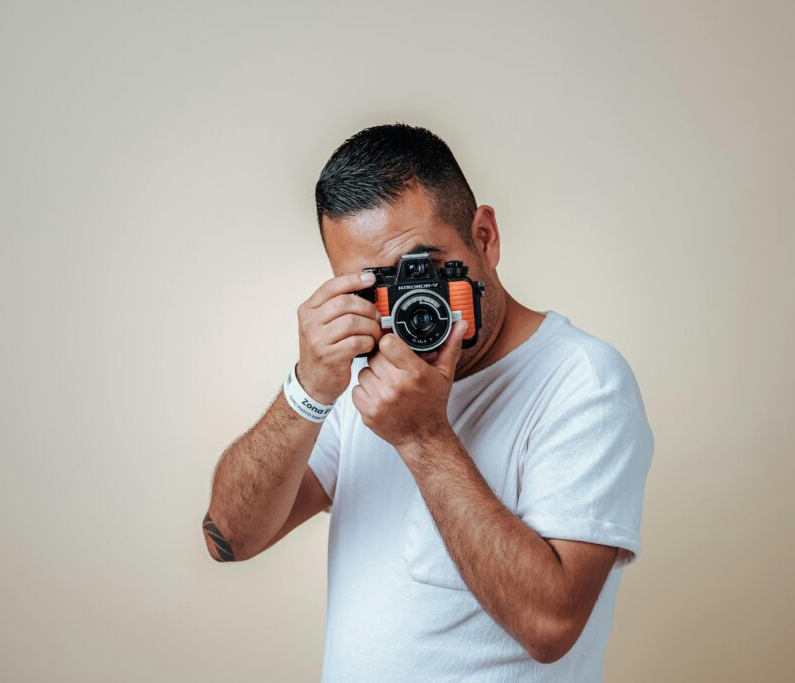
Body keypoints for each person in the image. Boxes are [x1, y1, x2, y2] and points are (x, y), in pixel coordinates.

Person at [202, 123, 654, 682]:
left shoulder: (582, 380)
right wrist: (310, 388)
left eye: (429, 267)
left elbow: (550, 625)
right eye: (378, 284)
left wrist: (421, 436)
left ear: (484, 237)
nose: (416, 301)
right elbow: (228, 538)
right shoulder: (361, 375)